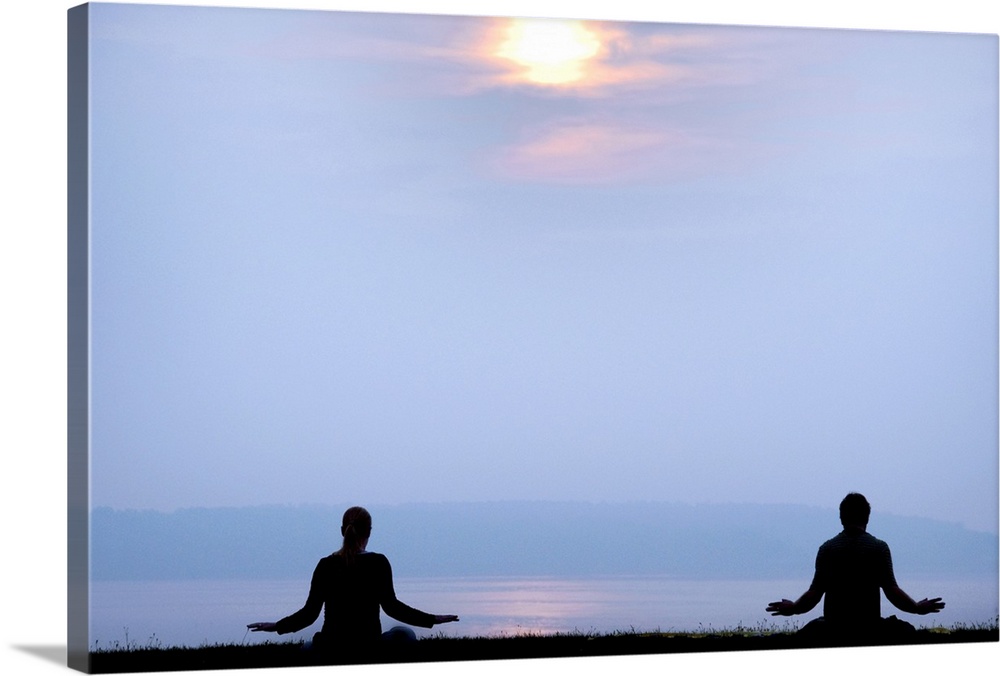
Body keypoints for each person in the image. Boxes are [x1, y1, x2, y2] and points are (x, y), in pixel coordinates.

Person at [248, 506, 459, 660]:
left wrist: (276, 626)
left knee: (308, 648)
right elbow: (392, 608)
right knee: (405, 634)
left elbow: (309, 614)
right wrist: (432, 619)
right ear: (369, 532)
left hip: (330, 647)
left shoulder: (325, 565)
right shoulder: (378, 562)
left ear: (342, 530)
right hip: (369, 647)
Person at [766, 492, 945, 644]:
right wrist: (916, 607)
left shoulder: (827, 549)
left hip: (832, 629)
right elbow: (892, 591)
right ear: (867, 517)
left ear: (841, 518)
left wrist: (794, 607)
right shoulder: (878, 548)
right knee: (907, 632)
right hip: (870, 628)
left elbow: (815, 593)